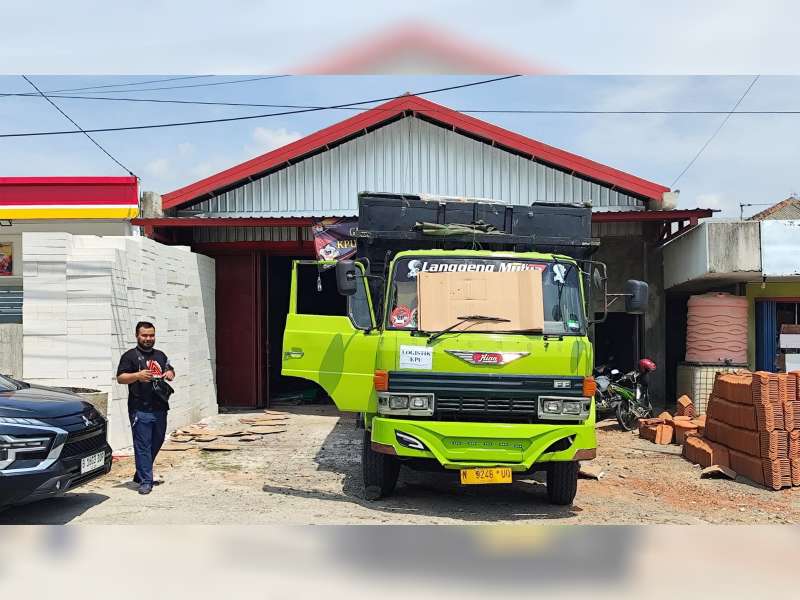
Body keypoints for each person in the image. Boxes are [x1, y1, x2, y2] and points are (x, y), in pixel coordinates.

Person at [116, 321, 175, 495]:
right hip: (140, 408)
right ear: (137, 336)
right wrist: (137, 375)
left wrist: (170, 373)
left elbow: (169, 369)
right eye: (145, 335)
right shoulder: (130, 356)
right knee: (142, 445)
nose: (148, 339)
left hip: (160, 406)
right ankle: (146, 481)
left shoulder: (160, 355)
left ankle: (140, 473)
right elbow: (120, 378)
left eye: (151, 335)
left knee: (157, 442)